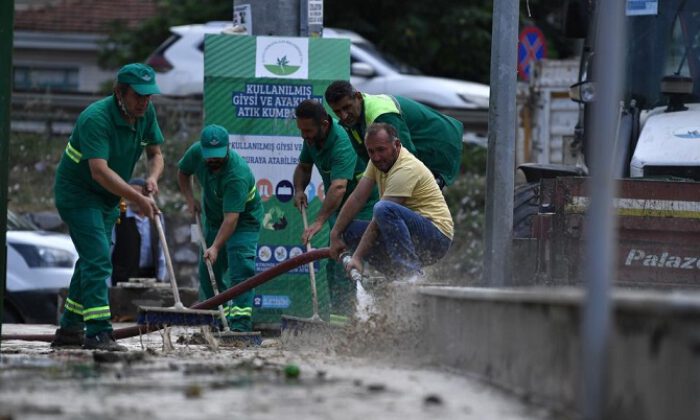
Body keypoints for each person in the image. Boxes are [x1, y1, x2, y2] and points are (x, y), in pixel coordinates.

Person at [51, 63, 164, 351]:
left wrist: (151, 178)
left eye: (148, 96)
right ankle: (98, 332)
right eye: (138, 96)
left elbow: (156, 153)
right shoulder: (96, 118)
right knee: (99, 258)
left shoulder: (145, 113)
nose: (144, 102)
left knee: (91, 259)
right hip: (79, 195)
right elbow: (99, 172)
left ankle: (69, 329)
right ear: (119, 93)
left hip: (107, 197)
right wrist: (138, 198)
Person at [329, 123, 453, 281]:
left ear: (396, 145)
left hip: (436, 237)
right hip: (409, 233)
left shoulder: (406, 168)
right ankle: (395, 275)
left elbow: (377, 222)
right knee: (349, 230)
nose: (376, 157)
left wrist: (357, 257)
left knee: (384, 209)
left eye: (381, 150)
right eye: (371, 151)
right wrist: (335, 234)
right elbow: (357, 198)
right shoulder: (376, 163)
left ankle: (409, 274)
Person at [292, 99, 378, 321]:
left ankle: (363, 319)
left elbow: (339, 187)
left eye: (308, 130)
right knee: (335, 261)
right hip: (341, 207)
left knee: (351, 261)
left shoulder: (341, 142)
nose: (304, 135)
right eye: (301, 130)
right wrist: (299, 189)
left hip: (364, 206)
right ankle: (340, 322)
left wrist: (319, 221)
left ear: (324, 124)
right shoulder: (311, 138)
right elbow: (303, 166)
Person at [178, 124, 263, 333]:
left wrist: (215, 247)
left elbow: (232, 219)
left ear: (228, 148)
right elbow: (183, 173)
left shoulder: (237, 174)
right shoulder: (196, 152)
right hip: (215, 220)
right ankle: (218, 319)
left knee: (240, 269)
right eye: (209, 155)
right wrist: (190, 200)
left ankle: (240, 326)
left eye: (218, 155)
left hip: (243, 222)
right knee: (207, 271)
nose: (213, 160)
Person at [324, 80, 464, 189]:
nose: (343, 115)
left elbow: (406, 157)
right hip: (420, 147)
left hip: (439, 143)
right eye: (337, 111)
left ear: (358, 97)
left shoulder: (382, 115)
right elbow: (369, 161)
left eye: (347, 107)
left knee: (417, 199)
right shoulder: (351, 122)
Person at [110, 178, 167, 285]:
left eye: (138, 193)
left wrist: (161, 277)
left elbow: (161, 251)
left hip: (150, 278)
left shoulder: (156, 218)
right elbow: (109, 251)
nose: (133, 197)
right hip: (122, 279)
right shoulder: (117, 218)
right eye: (130, 193)